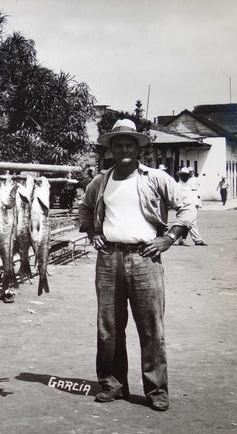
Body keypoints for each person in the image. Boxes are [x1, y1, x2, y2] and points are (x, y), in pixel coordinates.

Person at [79, 119, 195, 412]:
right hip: (109, 260)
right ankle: (113, 384)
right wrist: (92, 233)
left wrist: (169, 238)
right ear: (111, 149)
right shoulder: (102, 181)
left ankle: (156, 389)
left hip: (145, 258)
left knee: (151, 327)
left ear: (138, 148)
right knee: (108, 327)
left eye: (129, 143)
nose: (124, 148)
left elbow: (187, 206)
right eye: (118, 144)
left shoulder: (155, 178)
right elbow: (84, 207)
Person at [175, 167, 207, 246]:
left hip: (191, 206)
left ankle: (196, 240)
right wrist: (178, 206)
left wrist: (197, 203)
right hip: (184, 207)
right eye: (184, 175)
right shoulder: (178, 186)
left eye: (187, 176)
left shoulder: (188, 185)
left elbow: (193, 195)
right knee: (185, 223)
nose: (186, 177)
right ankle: (182, 239)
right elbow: (176, 198)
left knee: (192, 223)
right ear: (181, 176)